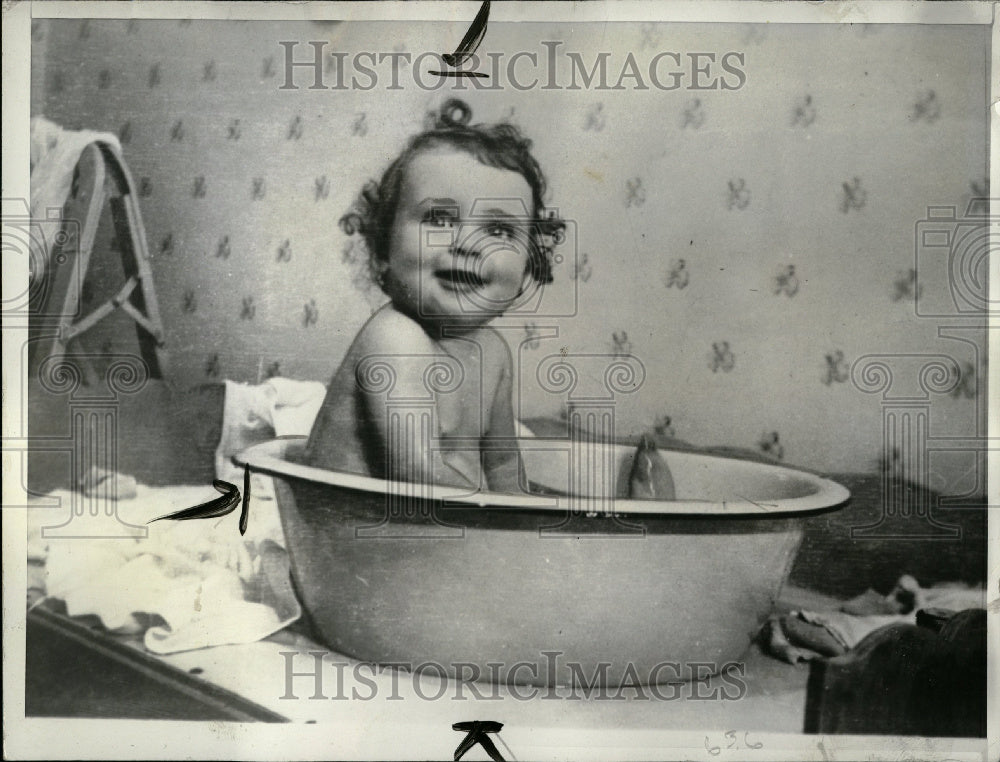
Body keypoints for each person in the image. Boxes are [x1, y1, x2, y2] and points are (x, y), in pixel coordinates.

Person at [303, 99, 563, 493]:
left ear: (527, 265)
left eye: (498, 230)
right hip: (351, 540)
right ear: (382, 250)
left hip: (433, 532)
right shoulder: (395, 338)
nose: (467, 244)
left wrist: (530, 513)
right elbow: (416, 473)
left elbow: (505, 465)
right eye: (440, 219)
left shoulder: (492, 355)